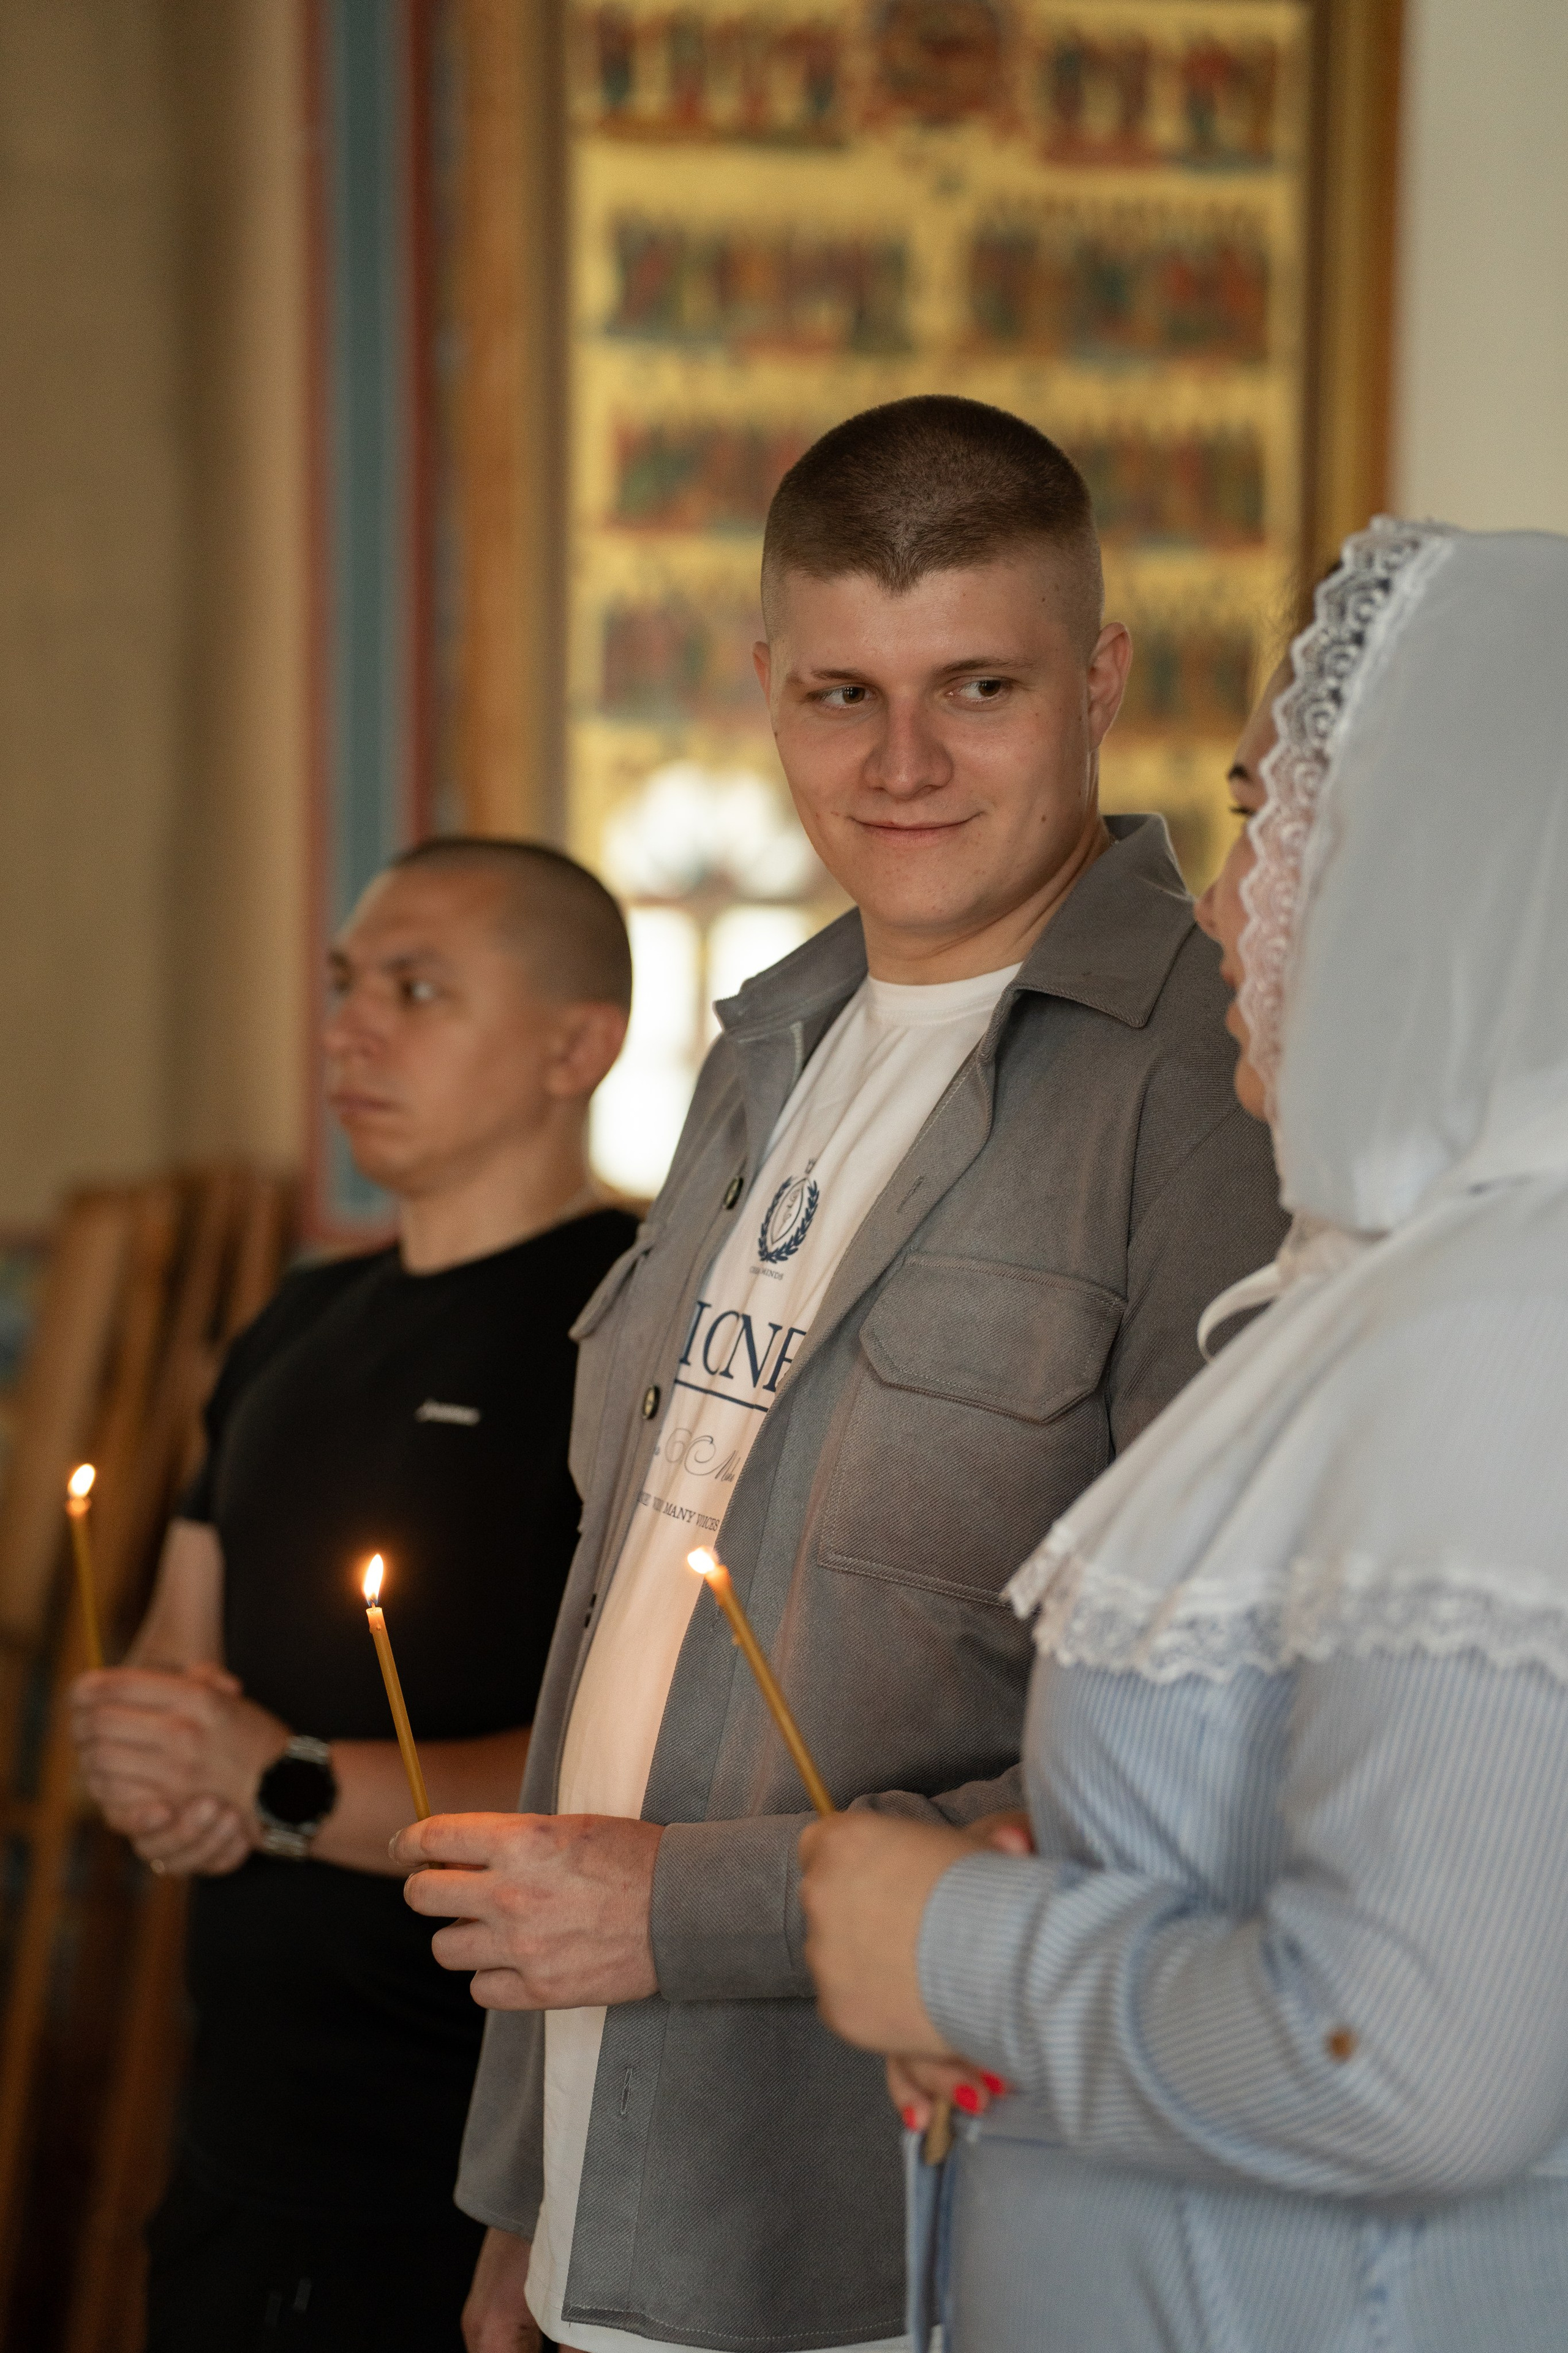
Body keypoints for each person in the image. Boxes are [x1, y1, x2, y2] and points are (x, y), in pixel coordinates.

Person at [393, 396, 1286, 2353]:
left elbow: (1206, 1747)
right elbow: (613, 1619)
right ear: (768, 689)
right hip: (605, 2169)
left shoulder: (1215, 1088)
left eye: (977, 683)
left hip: (899, 2208)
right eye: (839, 692)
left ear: (1099, 677)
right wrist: (521, 2200)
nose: (900, 763)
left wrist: (681, 1915)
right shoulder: (766, 1040)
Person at [797, 519, 1568, 2351]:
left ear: (1454, 871)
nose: (1223, 901)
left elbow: (1417, 2074)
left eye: (1268, 821)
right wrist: (1029, 1943)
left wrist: (963, 1953)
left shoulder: (1509, 1326)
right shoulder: (1393, 1292)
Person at [70, 839, 638, 2352]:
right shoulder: (297, 1314)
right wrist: (149, 1756)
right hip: (244, 2138)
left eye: (417, 988)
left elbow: (641, 1783)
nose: (348, 1028)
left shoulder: (637, 1329)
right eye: (341, 986)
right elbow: (180, 1651)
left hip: (477, 2172)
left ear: (575, 1047)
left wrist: (281, 1784)